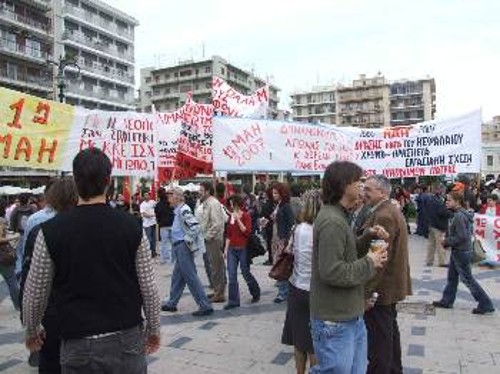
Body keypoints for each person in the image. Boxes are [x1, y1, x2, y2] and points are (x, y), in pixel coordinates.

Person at [22, 148, 161, 373]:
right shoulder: (131, 226)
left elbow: (35, 292)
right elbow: (148, 286)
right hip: (126, 338)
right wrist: (154, 328)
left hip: (77, 341)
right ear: (108, 181)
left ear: (75, 181)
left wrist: (31, 330)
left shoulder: (50, 231)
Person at [309, 161, 388, 374]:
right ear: (345, 186)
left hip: (350, 316)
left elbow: (348, 251)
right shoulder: (333, 221)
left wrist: (368, 236)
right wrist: (370, 262)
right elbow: (332, 271)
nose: (362, 187)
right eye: (358, 182)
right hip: (335, 321)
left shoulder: (340, 216)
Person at [19, 177, 78, 374]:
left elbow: (30, 277)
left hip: (51, 309)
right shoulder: (89, 224)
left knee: (51, 360)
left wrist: (30, 325)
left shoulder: (37, 224)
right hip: (78, 310)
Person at [360, 175, 412, 374]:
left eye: (368, 190)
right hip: (388, 286)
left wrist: (368, 292)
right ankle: (393, 370)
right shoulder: (388, 209)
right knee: (389, 334)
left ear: (382, 192)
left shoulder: (383, 215)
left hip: (382, 289)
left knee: (379, 342)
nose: (364, 193)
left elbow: (378, 259)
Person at [433, 190, 495, 315]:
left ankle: (485, 303)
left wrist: (446, 241)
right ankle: (447, 300)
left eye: (449, 200)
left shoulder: (459, 216)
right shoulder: (459, 214)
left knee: (468, 279)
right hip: (459, 251)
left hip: (461, 252)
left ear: (457, 202)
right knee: (452, 278)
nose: (446, 202)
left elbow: (462, 237)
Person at [281, 189, 321, 374]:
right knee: (313, 343)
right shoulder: (321, 230)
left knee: (299, 339)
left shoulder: (298, 229)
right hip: (316, 290)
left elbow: (289, 251)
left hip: (297, 286)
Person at [161, 187, 214, 316]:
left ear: (177, 197)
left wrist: (187, 240)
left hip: (183, 246)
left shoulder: (183, 210)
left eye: (170, 195)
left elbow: (195, 227)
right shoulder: (178, 210)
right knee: (177, 277)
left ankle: (205, 305)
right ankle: (172, 303)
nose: (168, 198)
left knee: (190, 276)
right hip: (179, 246)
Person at [223, 194, 260, 309]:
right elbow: (228, 234)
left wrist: (238, 219)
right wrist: (225, 249)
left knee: (245, 272)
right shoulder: (230, 217)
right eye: (230, 204)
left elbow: (247, 232)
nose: (230, 206)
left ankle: (255, 291)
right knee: (232, 274)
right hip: (232, 249)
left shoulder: (246, 216)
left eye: (232, 204)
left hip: (243, 248)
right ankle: (233, 301)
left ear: (237, 204)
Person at [196, 182, 227, 303]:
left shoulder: (213, 203)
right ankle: (217, 291)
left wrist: (207, 236)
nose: (199, 192)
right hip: (210, 238)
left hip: (214, 239)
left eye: (201, 190)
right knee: (214, 266)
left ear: (208, 191)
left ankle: (219, 294)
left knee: (216, 267)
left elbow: (217, 224)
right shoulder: (206, 203)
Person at [270, 182, 295, 304]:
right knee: (279, 263)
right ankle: (283, 289)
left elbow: (291, 225)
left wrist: (288, 242)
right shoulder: (279, 205)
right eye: (273, 192)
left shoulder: (286, 206)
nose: (273, 195)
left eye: (276, 193)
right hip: (277, 237)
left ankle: (283, 292)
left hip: (283, 239)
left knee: (282, 265)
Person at [0, 200, 20, 311]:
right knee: (11, 280)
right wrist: (14, 237)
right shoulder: (1, 220)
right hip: (3, 255)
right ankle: (18, 305)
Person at [10, 193, 36, 275]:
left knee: (19, 253)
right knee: (29, 252)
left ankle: (19, 269)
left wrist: (14, 231)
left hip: (20, 234)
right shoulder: (33, 209)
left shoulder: (16, 209)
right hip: (31, 234)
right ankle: (28, 269)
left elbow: (12, 221)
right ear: (28, 200)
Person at [426, 184, 450, 267]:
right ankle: (442, 261)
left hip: (432, 224)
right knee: (440, 243)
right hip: (438, 225)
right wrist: (449, 212)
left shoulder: (430, 199)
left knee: (431, 244)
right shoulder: (439, 200)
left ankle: (429, 260)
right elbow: (442, 212)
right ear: (438, 190)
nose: (444, 192)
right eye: (443, 190)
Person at [155, 188, 175, 264]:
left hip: (163, 225)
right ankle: (173, 258)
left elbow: (157, 215)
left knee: (164, 243)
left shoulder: (158, 205)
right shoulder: (170, 202)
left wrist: (159, 222)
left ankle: (164, 259)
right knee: (173, 242)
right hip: (171, 224)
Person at [140, 192, 157, 257]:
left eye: (148, 195)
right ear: (144, 197)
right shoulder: (142, 205)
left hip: (153, 222)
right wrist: (152, 215)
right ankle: (149, 252)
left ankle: (154, 251)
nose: (147, 196)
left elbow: (157, 207)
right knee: (149, 239)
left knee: (154, 239)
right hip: (147, 224)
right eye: (145, 195)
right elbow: (143, 214)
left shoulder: (153, 202)